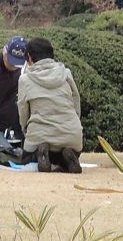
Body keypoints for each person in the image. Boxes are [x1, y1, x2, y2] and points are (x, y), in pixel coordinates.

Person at [17, 37, 84, 173]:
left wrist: (25, 128)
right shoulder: (66, 73)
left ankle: (41, 154)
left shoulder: (25, 79)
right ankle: (67, 156)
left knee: (26, 158)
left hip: (39, 135)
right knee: (69, 149)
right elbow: (76, 101)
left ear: (29, 57)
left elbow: (23, 111)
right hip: (71, 134)